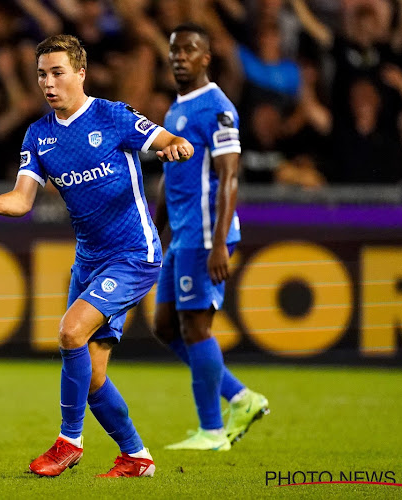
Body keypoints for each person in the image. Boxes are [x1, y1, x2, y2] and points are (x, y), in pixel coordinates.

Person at [0, 34, 194, 478]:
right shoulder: (39, 136)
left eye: (57, 73)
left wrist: (176, 145)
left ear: (81, 73)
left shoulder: (112, 117)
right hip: (90, 260)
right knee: (91, 379)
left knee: (71, 331)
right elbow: (23, 199)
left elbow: (164, 137)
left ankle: (68, 443)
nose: (49, 83)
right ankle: (137, 456)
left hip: (134, 253)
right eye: (41, 75)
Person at [153, 23, 269, 452]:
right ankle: (241, 397)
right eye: (174, 49)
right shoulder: (174, 110)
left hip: (206, 235)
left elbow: (229, 175)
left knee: (196, 327)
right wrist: (154, 228)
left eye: (189, 49)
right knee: (166, 327)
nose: (179, 56)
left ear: (206, 57)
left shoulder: (218, 108)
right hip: (182, 234)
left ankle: (212, 430)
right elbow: (169, 178)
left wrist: (220, 241)